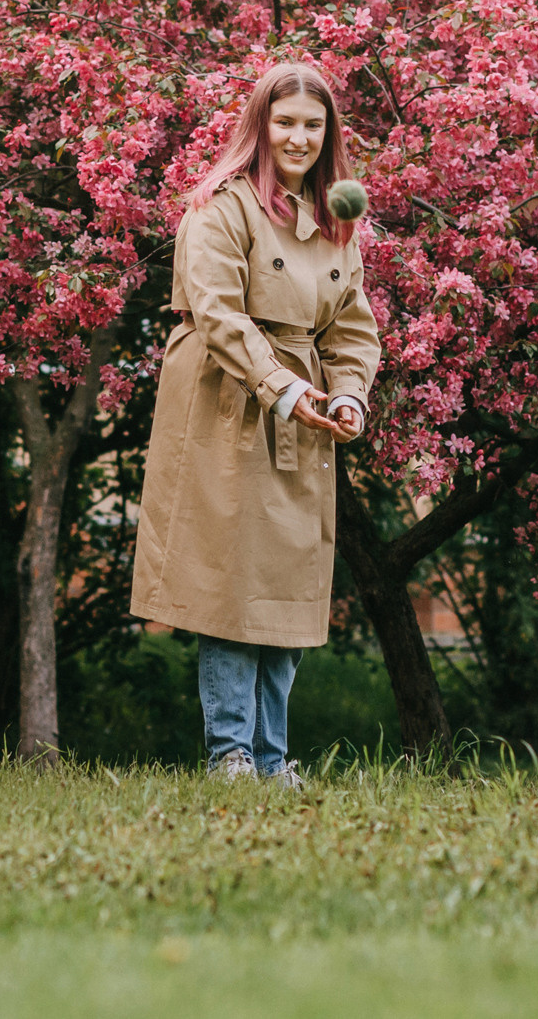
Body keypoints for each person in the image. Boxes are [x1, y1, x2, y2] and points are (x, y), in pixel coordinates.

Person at [130, 63, 381, 789]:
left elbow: (353, 329)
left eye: (313, 124)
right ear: (260, 126)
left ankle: (273, 760)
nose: (299, 136)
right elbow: (217, 313)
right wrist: (281, 386)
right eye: (285, 122)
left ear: (327, 134)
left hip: (303, 414)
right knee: (231, 583)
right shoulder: (221, 206)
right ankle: (231, 756)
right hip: (227, 402)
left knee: (287, 586)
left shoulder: (337, 222)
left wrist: (349, 396)